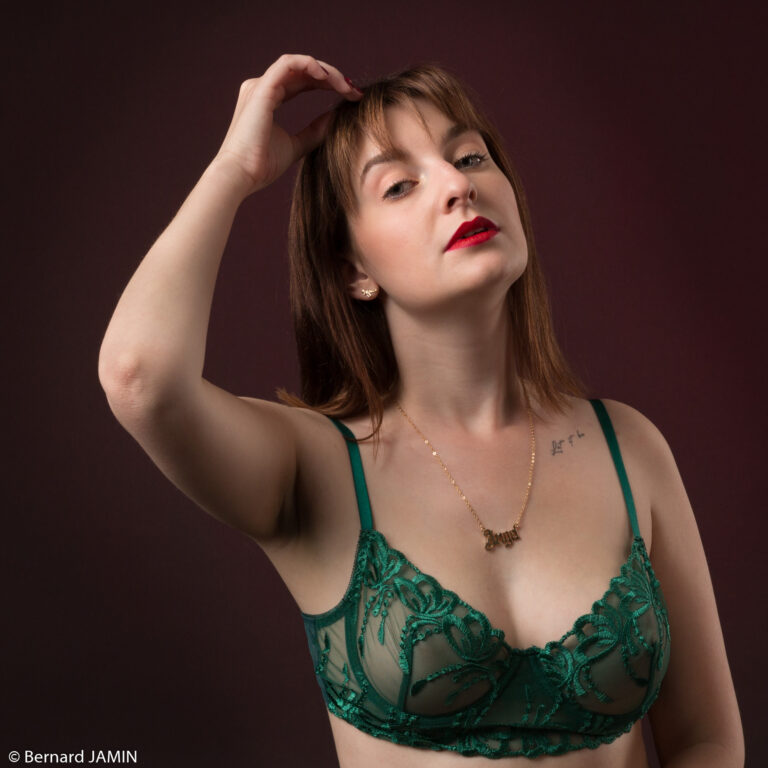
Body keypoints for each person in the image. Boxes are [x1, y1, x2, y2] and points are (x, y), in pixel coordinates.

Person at [98, 54, 744, 766]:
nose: (459, 185)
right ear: (354, 270)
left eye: (469, 157)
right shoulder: (312, 468)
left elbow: (707, 739)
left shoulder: (630, 447)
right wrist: (235, 170)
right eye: (400, 185)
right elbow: (140, 377)